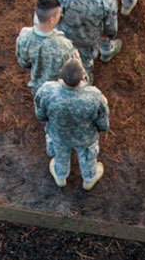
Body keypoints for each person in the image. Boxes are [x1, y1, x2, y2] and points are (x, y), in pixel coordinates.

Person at [34, 58, 109, 189]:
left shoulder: (47, 91)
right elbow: (103, 123)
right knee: (87, 158)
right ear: (82, 77)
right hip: (85, 138)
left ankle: (60, 176)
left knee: (60, 154)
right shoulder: (94, 97)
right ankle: (89, 179)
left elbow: (40, 115)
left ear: (61, 72)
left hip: (58, 135)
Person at [54, 0, 120, 82]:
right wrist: (108, 35)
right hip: (87, 44)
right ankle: (84, 81)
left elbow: (54, 17)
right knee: (84, 67)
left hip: (63, 41)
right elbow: (111, 29)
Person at [15, 0, 78, 96]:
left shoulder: (24, 35)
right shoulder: (64, 46)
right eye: (59, 14)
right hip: (57, 91)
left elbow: (24, 63)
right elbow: (72, 73)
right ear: (52, 19)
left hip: (37, 88)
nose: (60, 16)